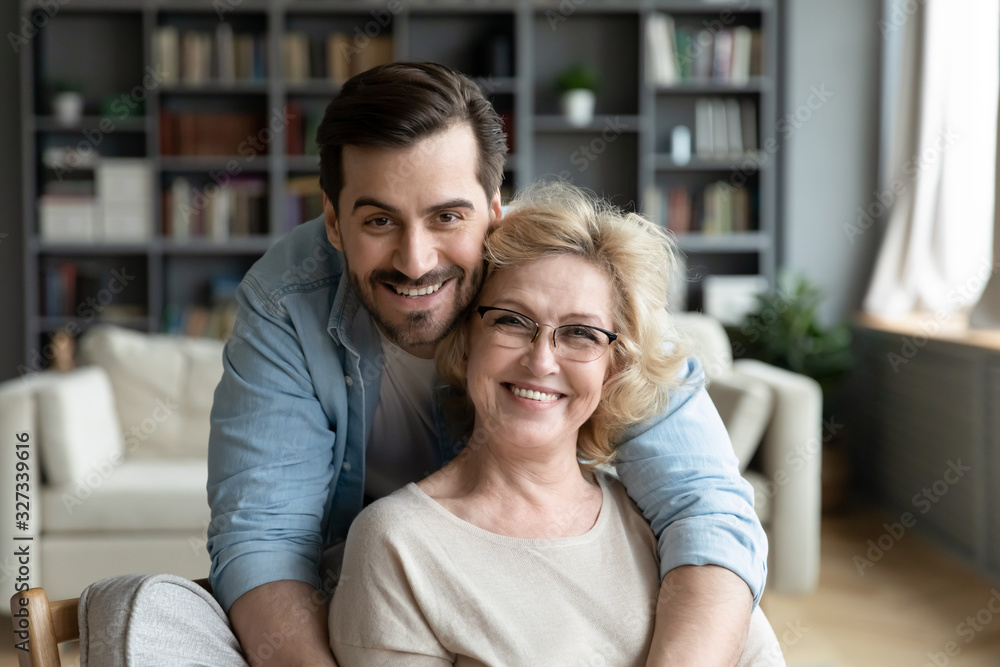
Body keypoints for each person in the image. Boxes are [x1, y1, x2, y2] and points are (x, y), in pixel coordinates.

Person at [206, 62, 767, 666]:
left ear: (494, 208)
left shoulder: (559, 274)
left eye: (447, 216)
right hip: (381, 587)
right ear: (334, 221)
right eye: (378, 221)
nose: (416, 261)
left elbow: (705, 505)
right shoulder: (285, 300)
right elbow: (264, 539)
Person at [328, 182, 784, 665]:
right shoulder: (396, 546)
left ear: (614, 368)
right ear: (466, 342)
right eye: (512, 321)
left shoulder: (675, 537)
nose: (541, 361)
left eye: (581, 334)